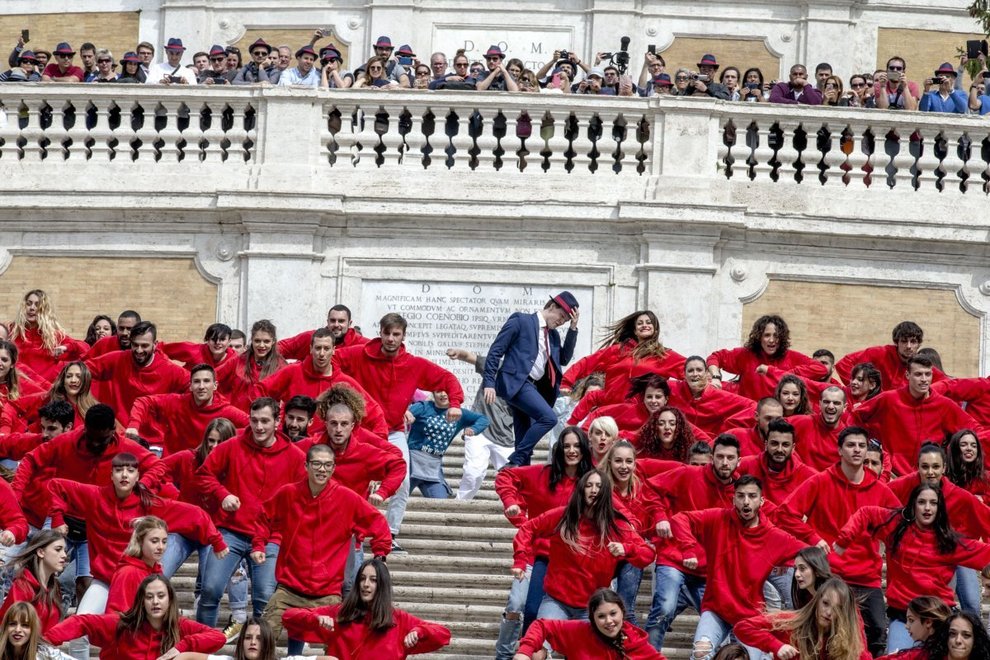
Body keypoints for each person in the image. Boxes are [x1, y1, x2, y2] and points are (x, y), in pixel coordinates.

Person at [335, 312, 464, 550]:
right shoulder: (359, 354)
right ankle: (351, 532)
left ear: (403, 336)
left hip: (393, 431)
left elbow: (447, 378)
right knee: (351, 480)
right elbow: (330, 361)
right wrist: (345, 390)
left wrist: (455, 403)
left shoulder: (413, 364)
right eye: (387, 333)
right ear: (380, 333)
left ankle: (390, 533)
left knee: (403, 480)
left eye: (396, 334)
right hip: (360, 430)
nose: (391, 339)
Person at [254, 443, 390, 653]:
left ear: (334, 468)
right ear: (306, 466)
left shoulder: (347, 498)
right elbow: (264, 516)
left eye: (328, 465)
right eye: (316, 463)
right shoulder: (288, 494)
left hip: (327, 594)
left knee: (338, 647)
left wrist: (380, 552)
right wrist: (258, 544)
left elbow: (377, 522)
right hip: (288, 589)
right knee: (262, 639)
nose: (322, 469)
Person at [778, 426, 899, 656]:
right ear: (839, 450)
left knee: (876, 637)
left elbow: (900, 528)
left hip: (866, 577)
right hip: (828, 575)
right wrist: (813, 538)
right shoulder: (821, 481)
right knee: (819, 638)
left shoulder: (881, 490)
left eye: (861, 446)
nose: (857, 450)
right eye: (851, 445)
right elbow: (785, 514)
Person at [836, 483, 990, 653]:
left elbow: (985, 554)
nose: (927, 508)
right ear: (913, 505)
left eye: (933, 503)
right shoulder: (895, 528)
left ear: (940, 509)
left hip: (938, 619)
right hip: (904, 617)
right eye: (922, 502)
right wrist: (844, 539)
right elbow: (866, 513)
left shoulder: (950, 542)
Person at [194, 397, 306, 627]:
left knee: (264, 600)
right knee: (210, 590)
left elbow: (305, 496)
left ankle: (257, 651)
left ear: (278, 421)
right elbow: (203, 475)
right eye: (254, 420)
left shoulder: (295, 456)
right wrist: (222, 494)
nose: (259, 427)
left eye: (265, 421)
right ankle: (201, 645)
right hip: (230, 531)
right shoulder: (232, 445)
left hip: (269, 538)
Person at [671, 475, 806, 660]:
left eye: (752, 496)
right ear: (733, 498)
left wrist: (790, 564)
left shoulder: (774, 536)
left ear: (762, 501)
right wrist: (688, 549)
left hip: (750, 616)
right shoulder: (717, 518)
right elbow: (680, 518)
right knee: (700, 653)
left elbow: (808, 552)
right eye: (741, 496)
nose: (746, 502)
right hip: (716, 608)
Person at [493, 426, 593, 658]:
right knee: (517, 605)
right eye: (566, 445)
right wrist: (512, 504)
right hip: (536, 554)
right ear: (559, 449)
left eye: (577, 446)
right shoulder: (542, 474)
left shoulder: (591, 481)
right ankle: (505, 653)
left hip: (573, 560)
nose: (571, 450)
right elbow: (505, 475)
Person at [299, 385, 405, 594]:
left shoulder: (363, 449)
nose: (338, 429)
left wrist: (381, 492)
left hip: (349, 531)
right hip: (313, 526)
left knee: (349, 586)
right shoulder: (311, 447)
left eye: (344, 424)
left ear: (352, 425)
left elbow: (397, 462)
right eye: (334, 424)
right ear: (326, 424)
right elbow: (282, 456)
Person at [511, 470, 653, 621]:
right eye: (589, 485)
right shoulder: (563, 516)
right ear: (581, 490)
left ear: (605, 492)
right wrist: (520, 560)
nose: (593, 490)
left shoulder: (617, 525)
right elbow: (528, 528)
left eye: (599, 486)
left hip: (592, 607)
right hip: (556, 601)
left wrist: (627, 549)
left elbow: (648, 554)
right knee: (544, 643)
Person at [282, 558, 452, 657]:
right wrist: (315, 618)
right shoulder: (341, 613)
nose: (366, 584)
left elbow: (443, 635)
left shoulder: (399, 620)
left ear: (382, 585)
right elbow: (289, 617)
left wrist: (419, 631)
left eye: (373, 580)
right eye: (362, 579)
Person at [485, 292, 579, 467]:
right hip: (517, 383)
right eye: (562, 316)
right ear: (552, 306)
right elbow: (495, 351)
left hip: (534, 389)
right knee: (549, 418)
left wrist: (573, 329)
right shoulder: (521, 321)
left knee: (523, 440)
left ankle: (518, 472)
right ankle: (515, 459)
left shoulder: (553, 336)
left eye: (566, 320)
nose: (561, 322)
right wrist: (489, 383)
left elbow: (564, 359)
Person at [46, 575, 226, 659]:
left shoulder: (180, 625)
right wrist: (48, 638)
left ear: (170, 599)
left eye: (161, 596)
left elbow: (218, 637)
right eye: (149, 597)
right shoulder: (124, 624)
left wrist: (182, 648)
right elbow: (82, 621)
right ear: (142, 601)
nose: (155, 602)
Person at [854, 355, 977, 476]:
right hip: (893, 477)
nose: (924, 379)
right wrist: (867, 446)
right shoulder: (889, 399)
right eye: (918, 374)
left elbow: (975, 430)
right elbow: (855, 416)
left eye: (927, 374)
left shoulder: (945, 405)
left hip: (928, 478)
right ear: (908, 375)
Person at [258, 328, 387, 437]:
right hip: (292, 442)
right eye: (318, 348)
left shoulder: (344, 383)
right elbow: (260, 390)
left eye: (326, 348)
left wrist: (378, 443)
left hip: (326, 452)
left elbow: (375, 414)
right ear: (310, 349)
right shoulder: (292, 372)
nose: (321, 353)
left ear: (334, 350)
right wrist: (266, 422)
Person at [562, 311, 685, 408]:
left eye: (649, 322)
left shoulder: (664, 355)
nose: (644, 325)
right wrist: (566, 382)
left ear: (656, 329)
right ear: (635, 331)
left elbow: (693, 370)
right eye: (640, 323)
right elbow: (587, 363)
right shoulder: (617, 350)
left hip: (643, 415)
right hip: (612, 411)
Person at [601, 441, 664, 623]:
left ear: (635, 464)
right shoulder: (602, 488)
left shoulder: (642, 489)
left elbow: (653, 516)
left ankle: (631, 646)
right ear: (610, 462)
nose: (623, 466)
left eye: (629, 461)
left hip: (629, 553)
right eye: (618, 461)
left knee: (625, 609)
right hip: (603, 553)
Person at [127, 364, 249, 456]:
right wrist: (133, 424)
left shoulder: (226, 411)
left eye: (206, 381)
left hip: (207, 470)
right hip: (173, 468)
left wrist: (231, 437)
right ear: (190, 385)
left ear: (215, 385)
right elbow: (143, 401)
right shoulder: (176, 402)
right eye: (196, 382)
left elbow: (253, 426)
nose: (201, 386)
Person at [733, 577, 868, 660]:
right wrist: (777, 646)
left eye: (837, 609)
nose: (828, 612)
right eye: (825, 603)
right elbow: (743, 627)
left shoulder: (849, 640)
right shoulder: (791, 621)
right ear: (817, 601)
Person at [86, 321, 189, 428]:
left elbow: (197, 386)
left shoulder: (170, 369)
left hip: (154, 439)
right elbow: (81, 369)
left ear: (155, 344)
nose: (139, 350)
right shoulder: (118, 359)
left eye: (144, 346)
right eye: (135, 345)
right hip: (120, 433)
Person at [513, 588, 664, 659]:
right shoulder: (581, 631)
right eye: (601, 616)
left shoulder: (635, 641)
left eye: (613, 614)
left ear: (623, 613)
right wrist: (525, 651)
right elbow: (542, 625)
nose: (609, 621)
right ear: (592, 618)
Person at [446, 349, 516, 501]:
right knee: (474, 472)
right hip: (478, 430)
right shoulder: (497, 367)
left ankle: (517, 509)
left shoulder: (529, 382)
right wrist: (459, 353)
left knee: (515, 476)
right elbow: (471, 357)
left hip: (504, 436)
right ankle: (459, 505)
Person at [707, 315, 828, 401]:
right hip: (750, 415)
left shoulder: (791, 356)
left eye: (776, 336)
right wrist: (716, 377)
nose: (771, 340)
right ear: (759, 337)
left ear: (782, 338)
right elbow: (715, 357)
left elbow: (821, 369)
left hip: (780, 418)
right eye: (767, 335)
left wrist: (786, 374)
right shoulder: (746, 355)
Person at [405, 390, 488, 498]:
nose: (443, 394)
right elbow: (404, 413)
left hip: (433, 467)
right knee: (397, 498)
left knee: (441, 502)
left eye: (447, 391)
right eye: (439, 391)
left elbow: (483, 419)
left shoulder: (459, 414)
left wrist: (474, 429)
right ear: (433, 394)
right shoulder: (423, 407)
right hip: (412, 463)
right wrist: (408, 414)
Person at [8, 290, 87, 382]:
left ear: (44, 309)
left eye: (37, 305)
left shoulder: (54, 335)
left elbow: (85, 348)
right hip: (17, 389)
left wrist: (66, 347)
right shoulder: (12, 331)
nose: (32, 308)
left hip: (44, 390)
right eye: (29, 304)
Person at [666, 356, 755, 437]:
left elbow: (753, 407)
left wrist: (726, 428)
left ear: (706, 373)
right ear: (684, 375)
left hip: (708, 447)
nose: (695, 374)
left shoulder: (719, 395)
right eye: (690, 371)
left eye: (699, 370)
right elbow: (653, 385)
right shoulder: (673, 387)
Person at [837, 322, 938, 392]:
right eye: (904, 341)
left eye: (913, 342)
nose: (908, 346)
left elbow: (946, 382)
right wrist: (862, 388)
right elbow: (844, 364)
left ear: (919, 344)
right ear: (896, 342)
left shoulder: (921, 365)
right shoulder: (880, 353)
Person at [738, 418, 815, 506]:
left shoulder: (808, 477)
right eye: (774, 444)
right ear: (766, 445)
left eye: (785, 445)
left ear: (793, 448)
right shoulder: (745, 465)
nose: (779, 449)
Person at [0, 530, 66, 633]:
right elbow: (10, 627)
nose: (64, 555)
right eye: (58, 550)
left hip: (47, 647)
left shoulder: (55, 587)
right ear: (40, 552)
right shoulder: (22, 586)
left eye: (64, 550)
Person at [215, 320, 286, 410]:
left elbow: (288, 398)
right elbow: (212, 377)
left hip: (265, 421)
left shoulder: (281, 366)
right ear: (251, 340)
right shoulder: (237, 361)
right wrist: (223, 405)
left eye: (266, 341)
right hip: (239, 420)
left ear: (273, 341)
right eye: (257, 341)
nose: (261, 345)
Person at [106, 516, 167, 613]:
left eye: (164, 542)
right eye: (154, 541)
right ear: (140, 541)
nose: (161, 547)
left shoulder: (158, 572)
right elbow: (116, 614)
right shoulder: (127, 573)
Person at [789, 386, 849, 471]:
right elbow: (770, 427)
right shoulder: (802, 422)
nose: (831, 406)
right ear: (820, 404)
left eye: (836, 403)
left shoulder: (848, 438)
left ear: (845, 407)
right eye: (826, 402)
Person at [278, 305, 367, 360]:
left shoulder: (361, 344)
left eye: (341, 321)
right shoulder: (311, 337)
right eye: (332, 320)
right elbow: (279, 348)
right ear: (327, 321)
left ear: (349, 323)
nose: (336, 324)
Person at [0, 602, 73, 659]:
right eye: (13, 624)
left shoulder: (46, 653)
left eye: (25, 625)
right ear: (5, 627)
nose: (17, 630)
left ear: (33, 629)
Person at [161, 323, 234, 370]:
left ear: (229, 342)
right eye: (213, 339)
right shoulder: (194, 351)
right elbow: (162, 348)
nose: (218, 343)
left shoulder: (234, 360)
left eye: (222, 339)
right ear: (207, 340)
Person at [944, 429, 990, 499]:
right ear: (954, 449)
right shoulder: (945, 478)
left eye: (974, 446)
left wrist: (983, 499)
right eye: (963, 445)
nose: (969, 448)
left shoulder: (987, 478)